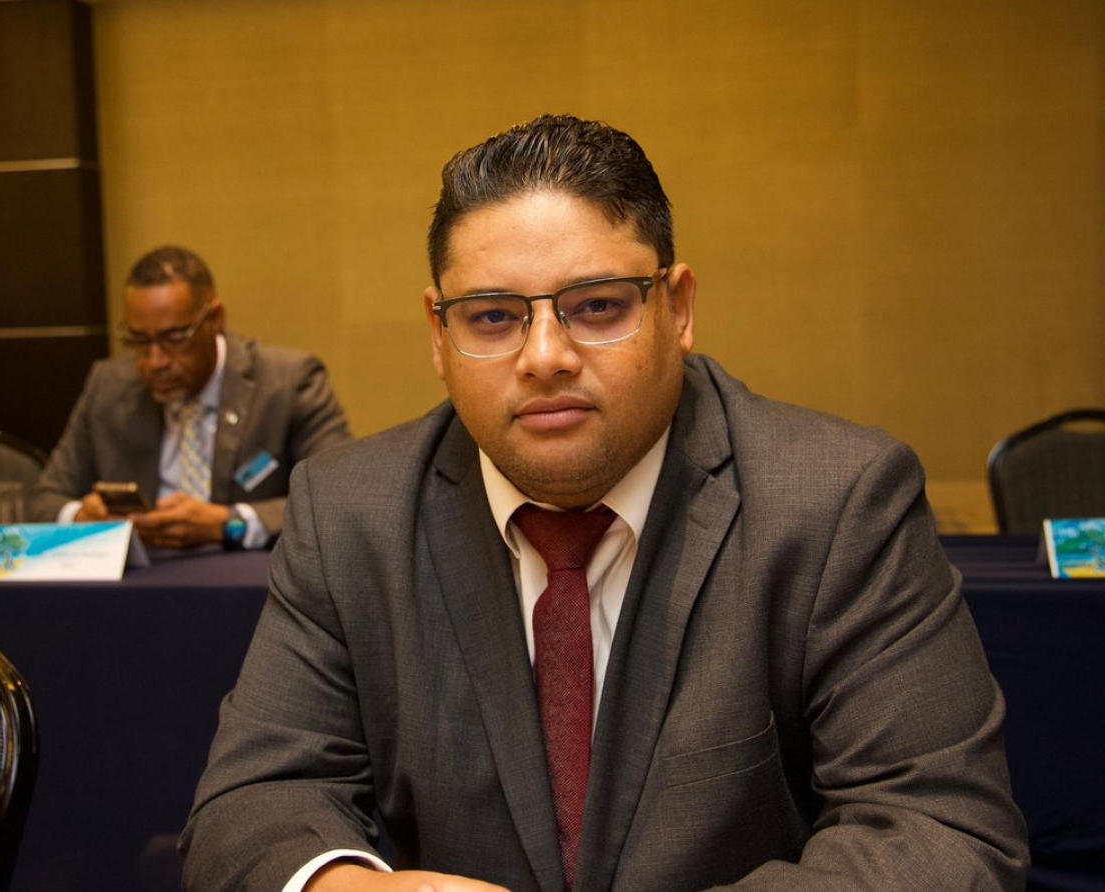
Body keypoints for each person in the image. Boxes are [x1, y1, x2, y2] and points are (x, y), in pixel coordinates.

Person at [180, 116, 1028, 890]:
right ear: (439, 336)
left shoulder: (838, 500)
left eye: (595, 307)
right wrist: (345, 887)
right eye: (492, 317)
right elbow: (249, 806)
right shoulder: (348, 512)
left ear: (678, 308)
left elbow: (941, 830)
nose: (545, 356)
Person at [30, 245, 352, 550]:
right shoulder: (110, 386)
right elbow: (46, 499)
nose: (155, 361)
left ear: (215, 319)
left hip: (248, 581)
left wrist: (230, 523)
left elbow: (338, 500)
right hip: (141, 579)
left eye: (174, 338)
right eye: (139, 340)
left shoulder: (288, 384)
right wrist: (80, 517)